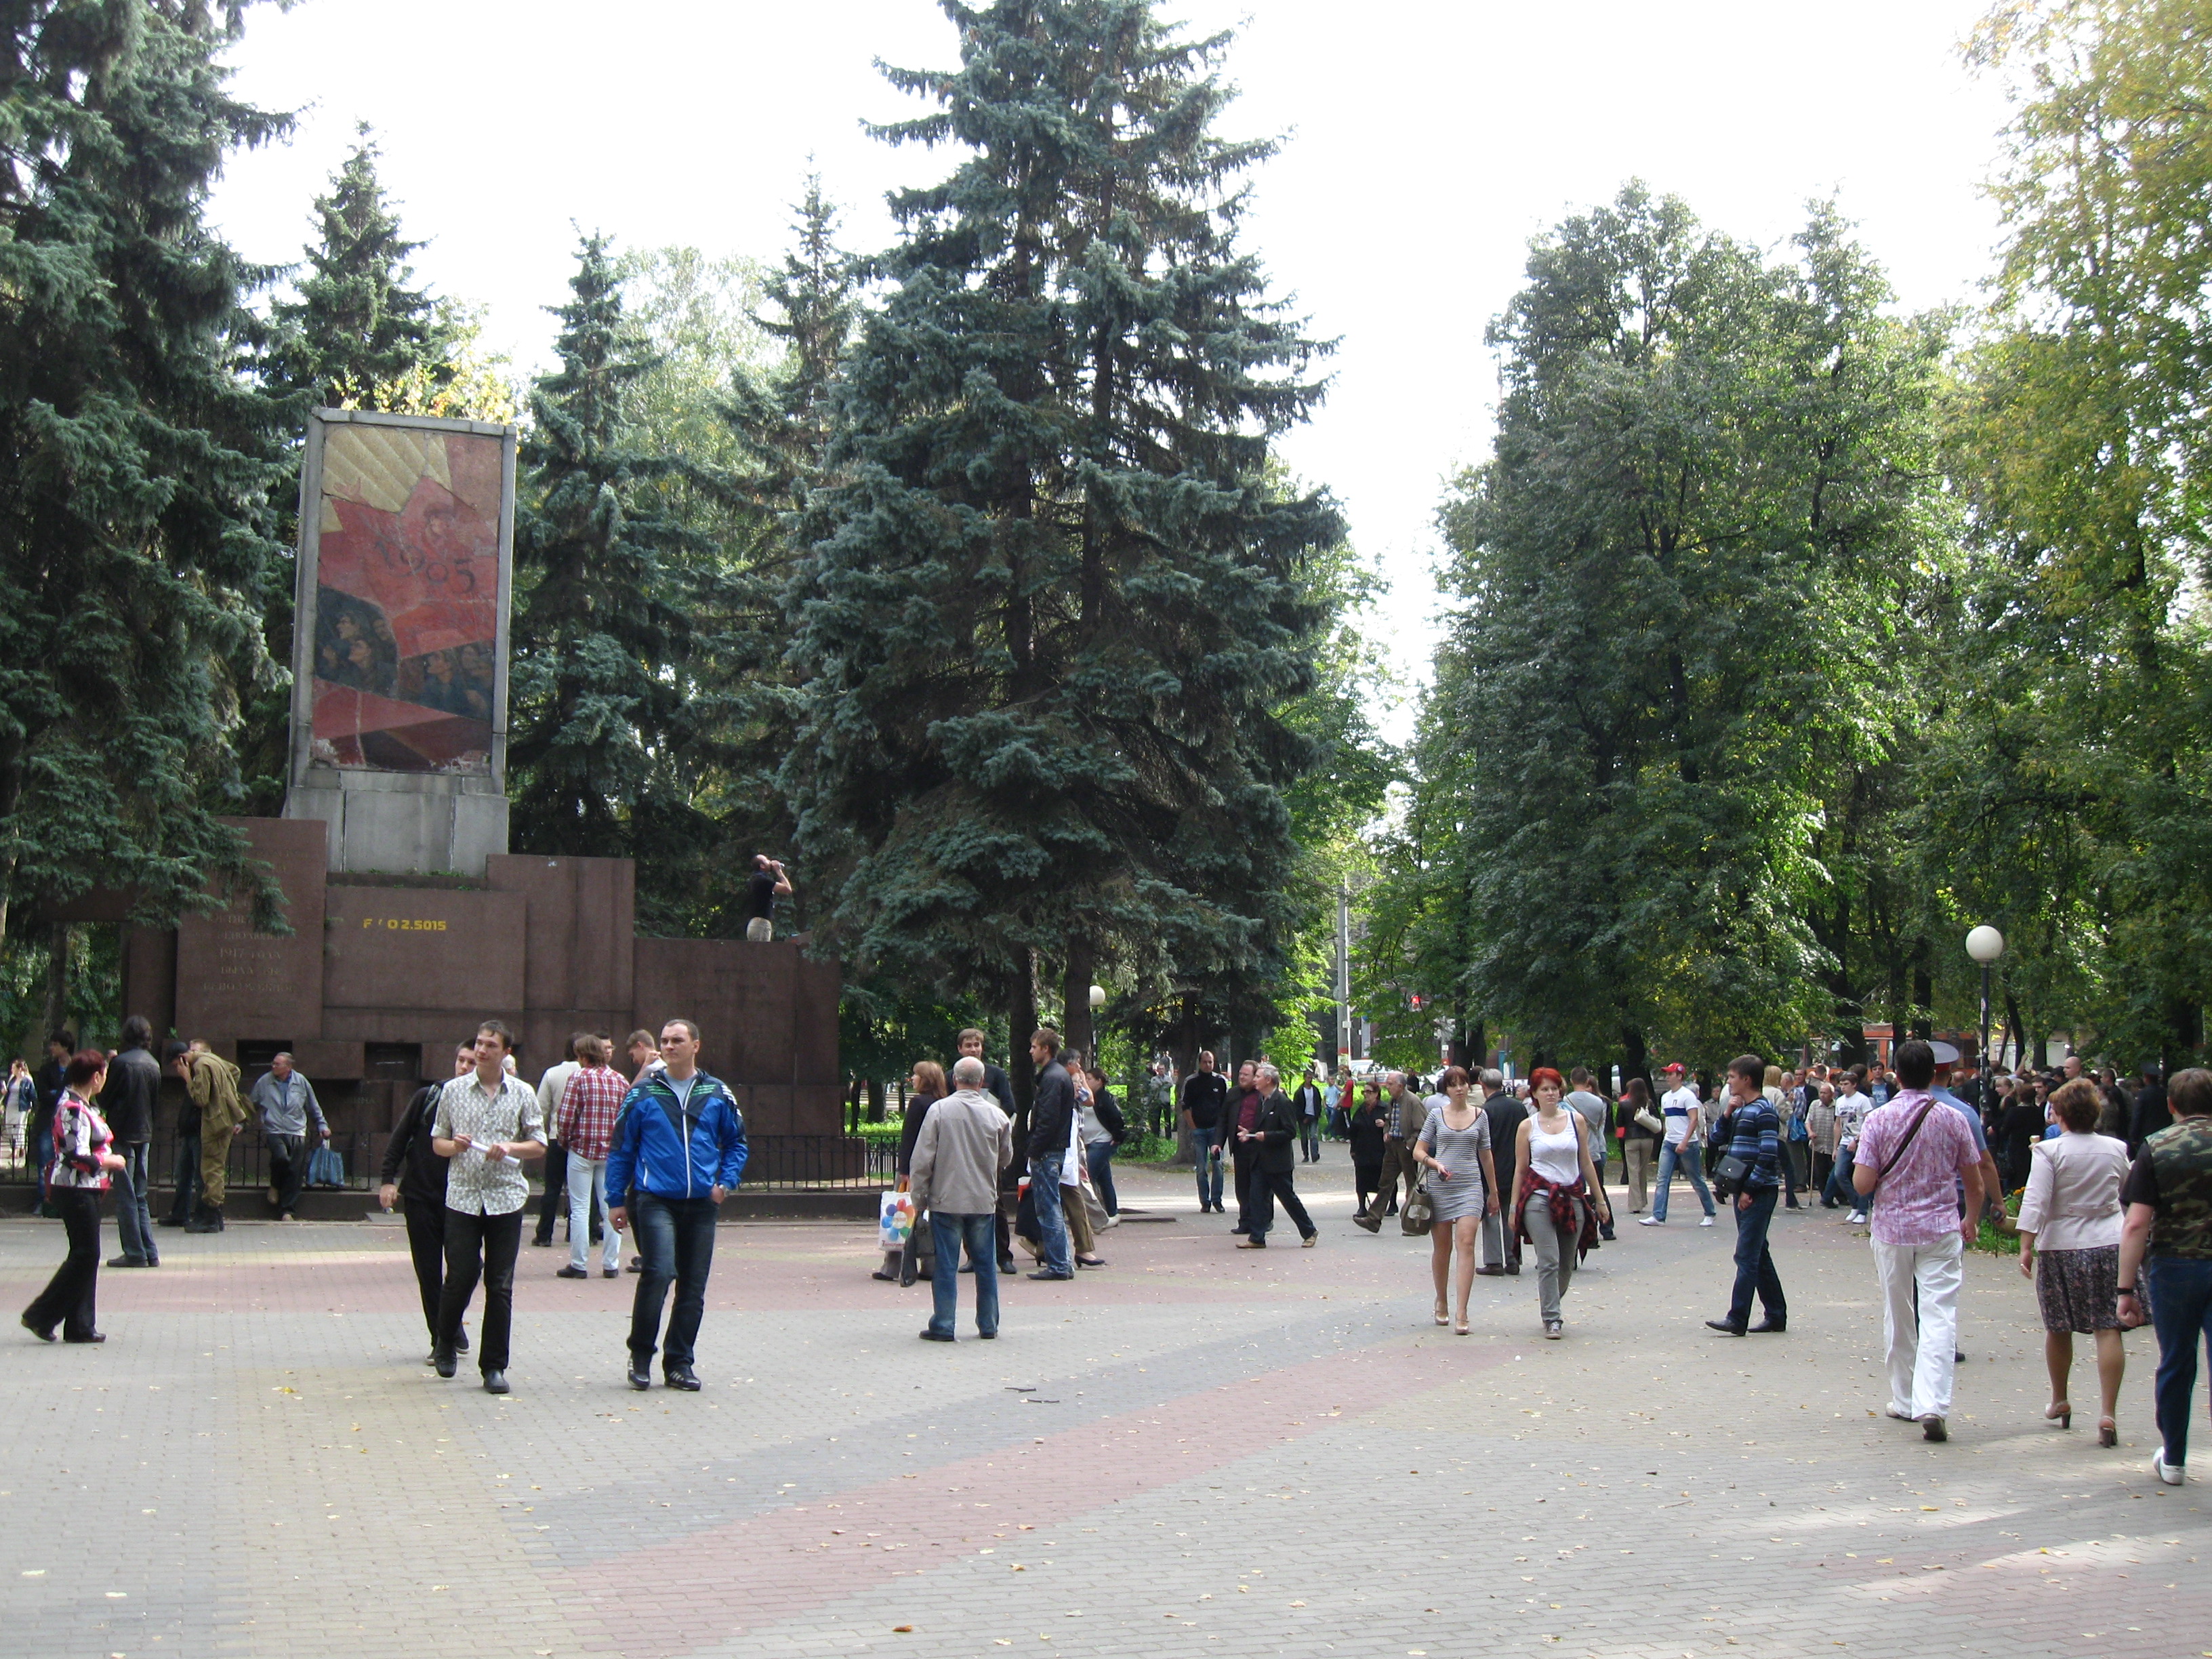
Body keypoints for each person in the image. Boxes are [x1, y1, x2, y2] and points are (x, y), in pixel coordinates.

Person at [1853, 1038, 1987, 1443]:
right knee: (1939, 1315)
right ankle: (1934, 1404)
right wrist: (1971, 1219)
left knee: (1898, 1313)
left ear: (1896, 1075)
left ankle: (1905, 1399)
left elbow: (1862, 1184)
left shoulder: (1878, 1120)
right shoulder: (1953, 1118)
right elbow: (1974, 1181)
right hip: (1941, 1228)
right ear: (1934, 1075)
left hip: (1892, 1231)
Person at [605, 1019, 748, 1391]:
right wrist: (616, 1199)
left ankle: (679, 1363)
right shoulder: (643, 1093)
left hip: (701, 1203)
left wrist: (725, 1183)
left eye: (677, 1040)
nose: (669, 1046)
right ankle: (640, 1356)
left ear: (695, 1046)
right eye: (665, 1041)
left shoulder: (717, 1092)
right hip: (655, 1199)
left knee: (693, 1286)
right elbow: (622, 1148)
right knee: (659, 1271)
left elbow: (737, 1142)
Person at [429, 1021, 548, 1394]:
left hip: (505, 1198)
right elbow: (438, 1142)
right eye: (479, 1044)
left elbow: (539, 1143)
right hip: (463, 1197)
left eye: (490, 1045)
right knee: (461, 1275)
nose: (481, 1051)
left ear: (505, 1052)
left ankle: (494, 1366)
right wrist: (455, 1146)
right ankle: (445, 1340)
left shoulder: (522, 1092)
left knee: (500, 1284)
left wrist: (510, 1147)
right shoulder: (453, 1090)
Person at [2015, 1077, 2131, 1446]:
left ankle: (2060, 1399)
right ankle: (2108, 1412)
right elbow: (2128, 1193)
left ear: (2060, 1114)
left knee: (2058, 1326)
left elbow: (2036, 1199)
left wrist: (2026, 1245)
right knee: (2107, 1328)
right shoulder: (2116, 1148)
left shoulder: (2049, 1151)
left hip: (2060, 1246)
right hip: (2109, 1243)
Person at [2115, 1065, 2212, 1486]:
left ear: (2171, 1105)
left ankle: (2173, 1459)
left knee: (2176, 1362)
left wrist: (2125, 1289)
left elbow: (2136, 1223)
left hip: (2175, 1267)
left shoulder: (2156, 1147)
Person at [20, 1049, 126, 1345]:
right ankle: (42, 1315)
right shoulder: (72, 1108)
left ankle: (79, 1325)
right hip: (75, 1188)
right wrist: (110, 1161)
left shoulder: (82, 1105)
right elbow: (75, 1154)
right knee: (85, 1255)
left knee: (85, 1255)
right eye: (104, 1074)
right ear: (96, 1077)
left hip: (84, 1188)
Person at [380, 1044, 478, 1363]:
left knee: (468, 1267)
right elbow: (399, 1137)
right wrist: (388, 1179)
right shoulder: (429, 1097)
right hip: (421, 1195)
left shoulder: (483, 1105)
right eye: (460, 1060)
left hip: (461, 1199)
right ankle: (441, 1337)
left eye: (471, 1062)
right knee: (429, 1271)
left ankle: (449, 1321)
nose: (464, 1067)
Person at [911, 1056, 1013, 1342]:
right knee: (986, 1264)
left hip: (946, 1199)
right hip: (982, 1200)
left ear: (954, 1080)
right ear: (982, 1082)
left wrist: (919, 1197)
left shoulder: (939, 1111)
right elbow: (1006, 1157)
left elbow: (922, 1159)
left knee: (946, 1264)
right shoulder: (997, 1115)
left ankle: (944, 1324)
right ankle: (988, 1324)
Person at [1512, 1068, 1610, 1338]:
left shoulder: (1576, 1121)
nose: (1550, 1093)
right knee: (1549, 1261)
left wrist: (1600, 1200)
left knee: (1566, 1264)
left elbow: (1586, 1161)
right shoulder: (1527, 1126)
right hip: (1539, 1198)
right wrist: (1513, 1208)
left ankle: (1551, 1301)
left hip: (1572, 1196)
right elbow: (1521, 1169)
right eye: (1544, 1089)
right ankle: (1552, 1318)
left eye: (1554, 1088)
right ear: (1535, 1094)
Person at [1704, 1055, 1788, 1337]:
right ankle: (1776, 1314)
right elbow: (1716, 1139)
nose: (1728, 1082)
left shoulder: (1764, 1111)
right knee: (1758, 1253)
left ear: (1747, 1079)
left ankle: (1737, 1317)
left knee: (1746, 1255)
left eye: (1732, 1077)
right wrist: (1728, 1113)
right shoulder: (1741, 1109)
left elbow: (1768, 1154)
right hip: (1743, 1188)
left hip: (1758, 1191)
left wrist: (1750, 1189)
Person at [1414, 1066, 1498, 1334]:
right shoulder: (1436, 1115)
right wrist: (1434, 1163)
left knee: (1467, 1243)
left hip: (1470, 1186)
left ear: (1468, 1086)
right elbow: (1418, 1150)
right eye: (1453, 1084)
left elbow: (1486, 1155)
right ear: (1447, 1090)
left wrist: (1493, 1192)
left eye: (1463, 1083)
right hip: (1441, 1186)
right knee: (1443, 1248)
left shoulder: (1480, 1116)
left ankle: (1463, 1311)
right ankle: (1442, 1300)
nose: (1459, 1089)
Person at [555, 1035, 629, 1281]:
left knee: (579, 1207)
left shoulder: (578, 1078)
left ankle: (579, 1264)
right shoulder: (620, 1080)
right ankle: (611, 1264)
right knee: (611, 1207)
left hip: (582, 1150)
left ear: (583, 1055)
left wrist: (565, 1141)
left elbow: (566, 1116)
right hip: (611, 1153)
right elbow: (626, 1118)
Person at [97, 1016, 161, 1269]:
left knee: (126, 1196)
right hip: (144, 1133)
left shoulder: (121, 1063)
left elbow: (105, 1099)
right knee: (140, 1195)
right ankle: (150, 1251)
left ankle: (135, 1252)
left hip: (122, 1134)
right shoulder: (154, 1064)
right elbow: (155, 1103)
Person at [1232, 1062, 1317, 1249]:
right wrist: (1250, 1134)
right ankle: (1257, 1237)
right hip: (1260, 1161)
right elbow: (1261, 1127)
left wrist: (1267, 1136)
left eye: (1258, 1077)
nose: (1255, 1080)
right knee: (1256, 1199)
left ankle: (1309, 1231)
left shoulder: (1283, 1102)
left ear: (1268, 1080)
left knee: (1288, 1199)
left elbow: (1290, 1132)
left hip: (1278, 1163)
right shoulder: (1262, 1100)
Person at [876, 1060, 947, 1282]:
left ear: (925, 1079)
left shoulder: (918, 1103)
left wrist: (904, 1169)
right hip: (938, 1168)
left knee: (901, 1215)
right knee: (930, 1216)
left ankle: (893, 1266)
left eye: (916, 1075)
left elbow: (909, 1138)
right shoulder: (944, 1103)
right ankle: (930, 1265)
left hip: (915, 1168)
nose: (913, 1079)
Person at [957, 1029, 1021, 1273]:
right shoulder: (953, 1076)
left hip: (988, 1148)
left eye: (977, 1045)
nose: (973, 1049)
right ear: (960, 1049)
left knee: (996, 1202)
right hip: (962, 1149)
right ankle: (972, 1255)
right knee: (964, 1204)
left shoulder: (996, 1075)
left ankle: (1003, 1255)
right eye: (968, 1045)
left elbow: (1010, 1107)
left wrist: (992, 1126)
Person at [1023, 1028, 1079, 1280]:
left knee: (1049, 1209)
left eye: (1034, 1047)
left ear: (1046, 1049)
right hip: (1053, 1149)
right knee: (1052, 1207)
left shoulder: (1052, 1078)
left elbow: (1047, 1119)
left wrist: (1034, 1150)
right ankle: (1063, 1263)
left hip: (1047, 1152)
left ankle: (1058, 1265)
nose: (1031, 1051)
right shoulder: (1057, 1075)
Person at [172, 1041, 244, 1232]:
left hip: (215, 1123)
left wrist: (188, 1078)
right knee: (214, 1170)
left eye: (177, 1065)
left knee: (211, 1171)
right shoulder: (213, 1060)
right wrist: (223, 1094)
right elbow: (235, 1071)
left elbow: (201, 1099)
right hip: (223, 1121)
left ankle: (210, 1220)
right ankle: (215, 1218)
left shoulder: (201, 1065)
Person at [251, 1052, 329, 1221]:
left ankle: (287, 1210)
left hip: (296, 1130)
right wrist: (240, 1124)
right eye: (273, 1063)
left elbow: (313, 1106)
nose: (273, 1066)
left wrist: (322, 1125)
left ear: (288, 1067)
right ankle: (275, 1185)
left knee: (295, 1171)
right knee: (281, 1158)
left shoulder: (301, 1082)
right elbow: (252, 1104)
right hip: (274, 1129)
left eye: (277, 1064)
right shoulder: (265, 1081)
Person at [1643, 1063, 1715, 1227]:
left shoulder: (1687, 1096)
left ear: (1680, 1076)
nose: (1667, 1077)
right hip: (1669, 1142)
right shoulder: (1665, 1097)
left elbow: (1693, 1119)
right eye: (1667, 1074)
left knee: (1695, 1179)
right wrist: (1666, 1136)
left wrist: (1684, 1141)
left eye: (1671, 1074)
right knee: (1662, 1178)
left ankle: (1710, 1212)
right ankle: (1658, 1216)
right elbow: (1667, 1119)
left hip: (1687, 1143)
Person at [532, 1034, 586, 1250]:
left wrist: (540, 1134)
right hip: (582, 1140)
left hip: (557, 1137)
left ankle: (544, 1234)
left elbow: (541, 1108)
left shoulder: (552, 1074)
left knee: (552, 1187)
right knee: (580, 1191)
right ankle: (577, 1233)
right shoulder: (590, 1074)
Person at [1357, 1071, 1427, 1232]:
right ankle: (1373, 1220)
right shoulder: (1393, 1101)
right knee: (1385, 1183)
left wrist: (1410, 1145)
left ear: (1400, 1086)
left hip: (1406, 1147)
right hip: (1392, 1146)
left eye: (1390, 1084)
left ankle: (1412, 1224)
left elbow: (1422, 1127)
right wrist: (1387, 1131)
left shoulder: (1413, 1101)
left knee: (1411, 1185)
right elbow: (1389, 1120)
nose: (1387, 1087)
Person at [1479, 1069, 1529, 1269]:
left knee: (1491, 1216)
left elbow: (1482, 1146)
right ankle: (1513, 1258)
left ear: (1483, 1086)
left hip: (1492, 1170)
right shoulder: (1519, 1108)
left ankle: (1494, 1261)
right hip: (1516, 1168)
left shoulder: (1485, 1111)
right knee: (1512, 1213)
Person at [1179, 1050, 1228, 1215]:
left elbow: (1226, 1106)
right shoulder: (1191, 1082)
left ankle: (1217, 1200)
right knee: (1201, 1167)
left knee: (1218, 1165)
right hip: (1199, 1130)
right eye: (1205, 1062)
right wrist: (1193, 1127)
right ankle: (1205, 1202)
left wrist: (1222, 1129)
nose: (1208, 1065)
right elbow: (1185, 1106)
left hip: (1216, 1131)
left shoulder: (1220, 1081)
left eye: (1211, 1062)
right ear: (1200, 1063)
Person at [1224, 1059, 1265, 1236]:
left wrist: (1253, 1133)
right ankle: (1245, 1221)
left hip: (1259, 1147)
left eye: (1246, 1075)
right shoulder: (1233, 1094)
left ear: (1254, 1077)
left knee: (1258, 1186)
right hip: (1240, 1147)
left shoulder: (1262, 1095)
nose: (1242, 1077)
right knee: (1242, 1186)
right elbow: (1223, 1119)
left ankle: (1262, 1221)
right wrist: (1217, 1143)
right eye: (1240, 1074)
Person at [1080, 1062, 1125, 1219]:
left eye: (1090, 1079)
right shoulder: (1086, 1097)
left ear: (1099, 1081)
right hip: (1090, 1142)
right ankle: (1113, 1212)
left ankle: (1088, 1215)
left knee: (1087, 1176)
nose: (1087, 1082)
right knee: (1105, 1180)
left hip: (1102, 1142)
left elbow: (1117, 1117)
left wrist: (1117, 1137)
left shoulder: (1104, 1098)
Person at [1830, 1068, 1872, 1224]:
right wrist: (1835, 1147)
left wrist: (1857, 1139)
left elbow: (1868, 1123)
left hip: (1861, 1142)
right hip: (1844, 1141)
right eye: (1841, 1084)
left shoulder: (1863, 1100)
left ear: (1854, 1085)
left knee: (1860, 1177)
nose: (1843, 1087)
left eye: (1846, 1084)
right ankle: (1855, 1204)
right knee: (1839, 1174)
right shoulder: (1840, 1101)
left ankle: (1862, 1211)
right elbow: (1838, 1124)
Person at [1617, 1076, 1661, 1214]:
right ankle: (1643, 1200)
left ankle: (1635, 1204)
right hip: (1648, 1139)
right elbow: (1657, 1119)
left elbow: (1619, 1123)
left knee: (1633, 1171)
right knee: (1643, 1170)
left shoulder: (1624, 1104)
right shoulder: (1649, 1103)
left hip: (1631, 1139)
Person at [1347, 1078, 1389, 1219]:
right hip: (1362, 1150)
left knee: (1383, 1179)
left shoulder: (1384, 1108)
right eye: (1364, 1092)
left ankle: (1387, 1205)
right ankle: (1362, 1207)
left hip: (1379, 1150)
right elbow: (1353, 1131)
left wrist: (1385, 1124)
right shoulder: (1361, 1110)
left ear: (1376, 1094)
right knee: (1361, 1179)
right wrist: (1353, 1149)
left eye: (1369, 1092)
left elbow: (1395, 1125)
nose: (1366, 1094)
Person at [745, 854, 793, 941]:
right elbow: (787, 889)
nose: (770, 862)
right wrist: (779, 871)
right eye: (767, 860)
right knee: (762, 949)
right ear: (762, 866)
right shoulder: (762, 880)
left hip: (756, 924)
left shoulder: (757, 879)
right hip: (760, 923)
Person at [1808, 1082, 1841, 1205]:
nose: (1822, 1095)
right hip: (1818, 1143)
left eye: (1825, 1093)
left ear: (1832, 1094)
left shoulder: (1837, 1106)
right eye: (1821, 1093)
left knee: (1834, 1172)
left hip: (1832, 1143)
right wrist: (1810, 1132)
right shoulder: (1814, 1105)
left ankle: (1837, 1195)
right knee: (1820, 1172)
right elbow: (1808, 1121)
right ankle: (1825, 1197)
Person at [1293, 1069, 1324, 1164]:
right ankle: (1306, 1155)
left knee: (1314, 1136)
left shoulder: (1315, 1090)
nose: (1310, 1080)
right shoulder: (1300, 1091)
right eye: (1308, 1078)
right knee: (1304, 1136)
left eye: (1311, 1078)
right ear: (1304, 1078)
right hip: (1303, 1117)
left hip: (1313, 1116)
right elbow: (1296, 1106)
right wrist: (1302, 1117)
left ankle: (1315, 1155)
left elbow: (1318, 1102)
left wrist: (1318, 1113)